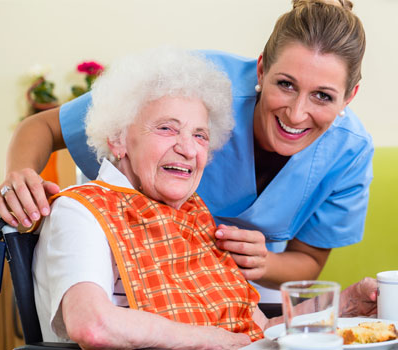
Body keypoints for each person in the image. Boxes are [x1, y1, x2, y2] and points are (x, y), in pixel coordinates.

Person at [0, 0, 373, 307]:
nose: (296, 114)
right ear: (262, 69)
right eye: (285, 85)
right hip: (139, 268)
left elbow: (307, 262)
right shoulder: (194, 85)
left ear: (349, 97)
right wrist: (19, 177)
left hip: (239, 286)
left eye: (323, 96)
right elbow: (42, 127)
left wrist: (266, 261)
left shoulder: (350, 152)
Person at [32, 47, 377, 350]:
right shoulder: (81, 210)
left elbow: (258, 331)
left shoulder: (192, 217)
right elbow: (91, 325)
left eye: (200, 135)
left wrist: (347, 305)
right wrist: (209, 338)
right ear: (118, 138)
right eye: (166, 128)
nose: (187, 149)